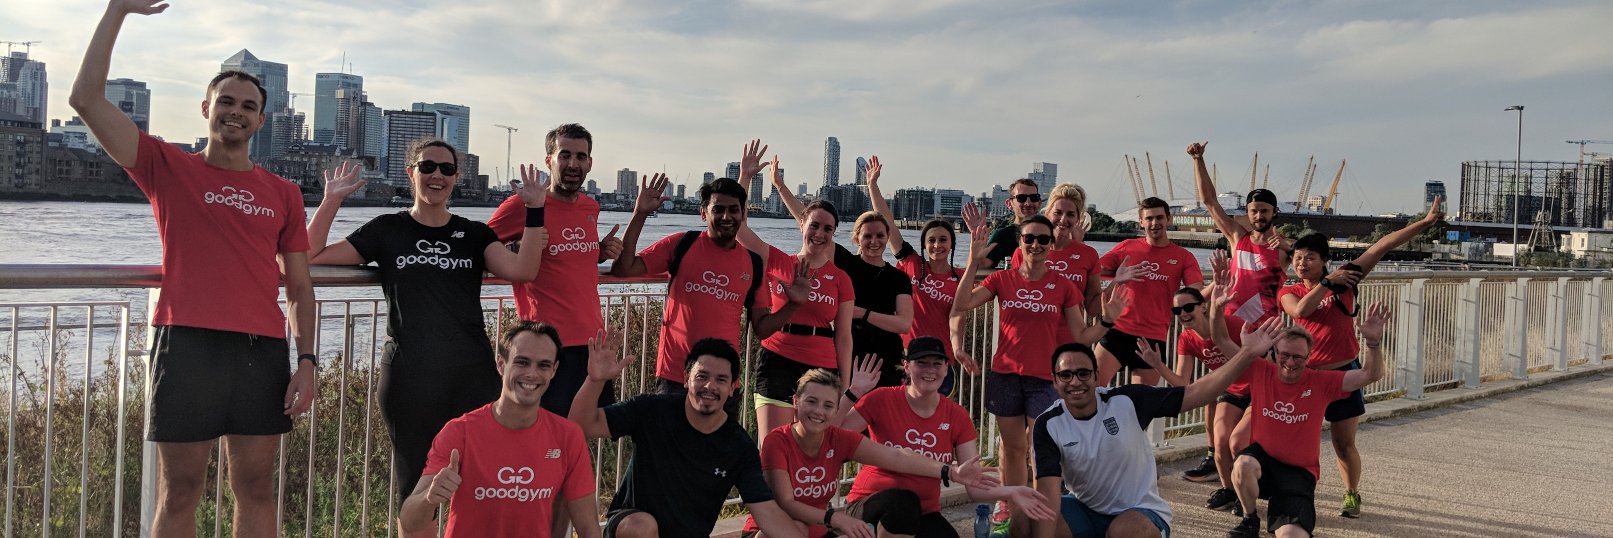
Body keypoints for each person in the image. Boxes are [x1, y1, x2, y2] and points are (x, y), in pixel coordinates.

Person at [69, 2, 317, 534]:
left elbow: (298, 287)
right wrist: (118, 10)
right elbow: (85, 99)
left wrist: (308, 361)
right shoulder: (166, 165)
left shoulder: (284, 192)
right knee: (180, 492)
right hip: (186, 344)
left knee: (255, 489)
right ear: (205, 106)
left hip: (261, 351)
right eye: (226, 101)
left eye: (248, 106)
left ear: (261, 120)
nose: (236, 111)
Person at [305, 138, 548, 505]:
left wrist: (535, 210)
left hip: (472, 375)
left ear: (456, 178)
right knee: (416, 492)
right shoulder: (387, 229)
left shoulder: (474, 234)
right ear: (411, 173)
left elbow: (524, 269)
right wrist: (331, 200)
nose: (437, 175)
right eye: (427, 167)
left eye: (447, 169)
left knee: (481, 487)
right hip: (409, 377)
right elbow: (309, 256)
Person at [953, 205, 1127, 536]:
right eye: (1029, 239)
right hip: (1006, 376)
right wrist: (973, 261)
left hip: (1043, 380)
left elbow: (1080, 336)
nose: (1036, 245)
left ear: (1050, 244)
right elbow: (961, 304)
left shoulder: (1062, 286)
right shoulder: (1001, 279)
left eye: (1042, 240)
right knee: (1015, 450)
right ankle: (1016, 519)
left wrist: (1107, 320)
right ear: (1019, 242)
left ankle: (1043, 521)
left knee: (1042, 452)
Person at [1032, 316, 1286, 538]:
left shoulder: (1127, 400)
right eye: (1066, 375)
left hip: (1139, 512)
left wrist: (1246, 354)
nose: (1075, 382)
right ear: (1054, 382)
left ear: (1097, 376)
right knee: (1026, 517)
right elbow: (1048, 496)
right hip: (1086, 508)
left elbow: (1197, 392)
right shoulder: (1048, 424)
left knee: (1124, 531)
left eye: (1083, 373)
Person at [1275, 197, 1443, 520]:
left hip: (1344, 375)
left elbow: (1380, 246)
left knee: (1343, 444)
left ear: (1324, 260)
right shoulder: (1291, 291)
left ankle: (1351, 493)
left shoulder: (1347, 279)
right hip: (1307, 376)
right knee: (1296, 440)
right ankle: (1296, 493)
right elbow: (1300, 311)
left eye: (1309, 257)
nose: (1301, 263)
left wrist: (1424, 223)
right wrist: (1327, 283)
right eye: (1296, 258)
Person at [569, 337, 808, 538]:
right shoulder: (651, 408)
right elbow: (582, 425)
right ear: (686, 378)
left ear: (733, 387)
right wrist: (595, 380)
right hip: (632, 525)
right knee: (641, 527)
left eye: (721, 380)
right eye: (702, 376)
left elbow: (765, 509)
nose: (709, 386)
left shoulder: (739, 445)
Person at [610, 174, 808, 404]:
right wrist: (640, 214)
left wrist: (794, 304)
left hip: (724, 382)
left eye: (734, 210)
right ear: (704, 213)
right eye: (718, 210)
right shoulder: (682, 244)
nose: (727, 217)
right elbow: (624, 269)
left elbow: (762, 328)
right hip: (676, 376)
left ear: (743, 214)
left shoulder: (753, 263)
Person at [743, 361, 999, 538]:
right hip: (774, 530)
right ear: (796, 403)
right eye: (811, 402)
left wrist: (950, 471)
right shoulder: (778, 440)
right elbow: (787, 504)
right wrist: (835, 518)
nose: (818, 411)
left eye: (827, 405)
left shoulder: (838, 438)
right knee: (798, 527)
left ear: (835, 412)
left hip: (819, 529)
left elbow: (897, 456)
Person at [841, 337, 1059, 537]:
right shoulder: (880, 399)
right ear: (907, 367)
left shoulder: (957, 416)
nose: (930, 370)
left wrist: (1011, 491)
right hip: (870, 503)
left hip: (924, 512)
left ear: (947, 369)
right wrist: (852, 393)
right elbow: (831, 436)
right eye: (921, 363)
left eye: (937, 363)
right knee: (903, 504)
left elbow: (973, 485)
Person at [399, 321, 598, 538]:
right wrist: (430, 497)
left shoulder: (568, 436)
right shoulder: (460, 432)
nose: (532, 374)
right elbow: (409, 521)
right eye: (522, 362)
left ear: (554, 370)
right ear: (501, 364)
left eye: (543, 365)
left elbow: (589, 528)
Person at [486, 123, 624, 417]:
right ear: (549, 159)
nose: (573, 164)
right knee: (543, 434)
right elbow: (477, 247)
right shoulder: (522, 206)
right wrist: (517, 249)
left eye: (580, 156)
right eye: (564, 155)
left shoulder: (590, 206)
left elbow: (568, 255)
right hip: (546, 346)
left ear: (589, 163)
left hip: (591, 344)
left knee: (584, 433)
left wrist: (598, 251)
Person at [1226, 305, 1392, 538]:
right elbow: (1220, 341)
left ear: (1308, 357)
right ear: (1274, 353)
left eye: (1297, 357)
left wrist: (1373, 344)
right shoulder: (1261, 370)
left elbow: (1369, 375)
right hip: (1263, 462)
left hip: (1298, 474)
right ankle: (1249, 519)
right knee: (1243, 464)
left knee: (1292, 536)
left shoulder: (1321, 381)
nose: (1290, 363)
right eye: (1284, 355)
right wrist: (1217, 312)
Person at [731, 141, 856, 443]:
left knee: (810, 446)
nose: (820, 234)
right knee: (771, 446)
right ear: (802, 224)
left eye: (828, 229)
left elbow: (844, 336)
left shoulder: (840, 279)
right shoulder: (778, 261)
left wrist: (846, 386)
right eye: (815, 226)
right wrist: (746, 178)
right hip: (777, 359)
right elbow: (738, 228)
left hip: (821, 367)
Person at [772, 153, 914, 388]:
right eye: (867, 236)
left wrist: (861, 313)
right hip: (849, 355)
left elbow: (903, 323)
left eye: (880, 236)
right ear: (857, 238)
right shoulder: (846, 264)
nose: (874, 241)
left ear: (888, 237)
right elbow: (809, 222)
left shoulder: (897, 277)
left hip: (887, 359)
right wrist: (780, 186)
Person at [1096, 197, 1204, 387]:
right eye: (1149, 218)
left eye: (1160, 218)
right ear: (1141, 222)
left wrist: (1218, 286)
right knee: (1093, 387)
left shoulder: (1183, 257)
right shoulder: (1127, 247)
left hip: (1153, 338)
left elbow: (1196, 291)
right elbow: (1092, 272)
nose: (1155, 223)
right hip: (1118, 330)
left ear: (1168, 219)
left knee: (1140, 405)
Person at [1188, 142, 1289, 332]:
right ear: (1247, 212)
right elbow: (1210, 201)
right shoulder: (1237, 237)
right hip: (1228, 326)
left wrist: (1289, 248)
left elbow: (1315, 264)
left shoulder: (1284, 247)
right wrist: (1198, 159)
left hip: (1265, 330)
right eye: (1254, 211)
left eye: (1265, 211)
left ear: (1275, 212)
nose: (1259, 216)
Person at [1011, 183, 1105, 345]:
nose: (1063, 220)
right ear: (1047, 213)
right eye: (1058, 213)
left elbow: (1092, 308)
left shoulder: (1088, 254)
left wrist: (1118, 283)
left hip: (1069, 342)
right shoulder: (1024, 252)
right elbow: (1016, 296)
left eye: (1070, 214)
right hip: (1029, 340)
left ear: (1078, 218)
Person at [982, 178, 1044, 267]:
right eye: (1021, 198)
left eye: (1034, 198)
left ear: (1039, 202)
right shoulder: (1002, 235)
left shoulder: (1049, 233)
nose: (1028, 203)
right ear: (1009, 204)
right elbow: (982, 267)